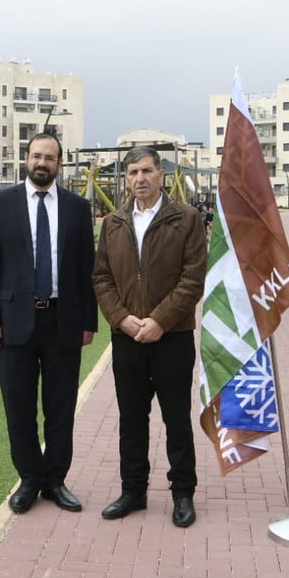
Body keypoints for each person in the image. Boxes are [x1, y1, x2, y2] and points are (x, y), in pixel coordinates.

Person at [0, 133, 98, 514]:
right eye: (36, 156)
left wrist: (89, 320)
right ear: (25, 159)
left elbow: (86, 269)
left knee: (61, 407)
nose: (41, 163)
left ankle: (55, 481)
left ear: (59, 164)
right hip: (15, 323)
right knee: (19, 407)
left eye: (49, 157)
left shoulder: (78, 208)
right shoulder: (1, 204)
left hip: (64, 320)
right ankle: (30, 479)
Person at [92, 146, 207, 528]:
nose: (139, 178)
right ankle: (133, 491)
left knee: (176, 417)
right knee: (131, 418)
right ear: (125, 179)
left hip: (172, 336)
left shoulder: (186, 219)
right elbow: (102, 278)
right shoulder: (114, 223)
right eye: (132, 173)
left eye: (146, 171)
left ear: (161, 175)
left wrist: (158, 320)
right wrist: (122, 319)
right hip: (127, 338)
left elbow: (193, 279)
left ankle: (183, 494)